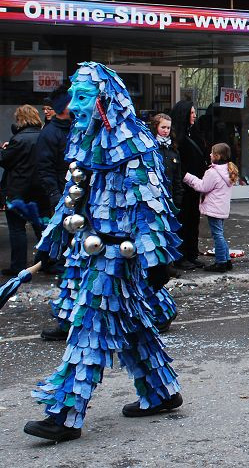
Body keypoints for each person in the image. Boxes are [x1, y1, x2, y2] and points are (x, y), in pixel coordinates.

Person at [25, 62, 182, 442]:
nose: (75, 106)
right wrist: (53, 244)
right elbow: (74, 196)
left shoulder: (134, 142)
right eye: (73, 98)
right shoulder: (87, 139)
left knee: (90, 326)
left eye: (83, 97)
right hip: (94, 249)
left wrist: (158, 257)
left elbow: (153, 202)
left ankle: (65, 413)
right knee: (130, 325)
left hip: (118, 254)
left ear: (104, 99)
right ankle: (161, 390)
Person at [0, 105, 46, 276]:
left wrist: (5, 149)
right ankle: (44, 261)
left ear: (20, 119)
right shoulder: (44, 136)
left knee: (17, 228)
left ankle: (17, 265)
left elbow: (5, 160)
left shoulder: (18, 139)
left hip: (18, 189)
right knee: (40, 227)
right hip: (40, 189)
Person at [184, 143, 238, 273]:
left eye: (211, 153)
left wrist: (187, 177)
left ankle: (220, 263)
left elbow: (202, 187)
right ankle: (226, 260)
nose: (209, 155)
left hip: (214, 208)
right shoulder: (227, 170)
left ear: (217, 156)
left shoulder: (213, 172)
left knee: (217, 235)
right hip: (222, 208)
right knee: (220, 234)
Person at [171, 100, 207, 269]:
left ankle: (192, 252)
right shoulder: (178, 137)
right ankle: (181, 255)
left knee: (193, 219)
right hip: (184, 185)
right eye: (191, 113)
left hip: (195, 185)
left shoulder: (194, 133)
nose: (194, 116)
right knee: (183, 220)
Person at [35, 86, 72, 212]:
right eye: (71, 103)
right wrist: (54, 194)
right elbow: (45, 168)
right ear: (63, 108)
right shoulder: (49, 133)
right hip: (62, 194)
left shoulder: (77, 130)